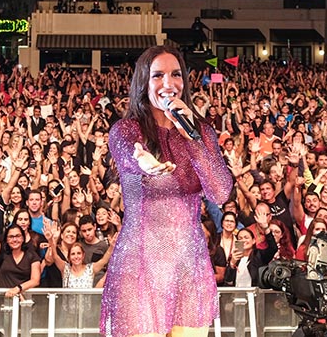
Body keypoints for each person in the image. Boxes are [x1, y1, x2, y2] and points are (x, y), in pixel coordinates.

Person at [100, 46, 234, 337]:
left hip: (189, 265)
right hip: (139, 264)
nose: (168, 83)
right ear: (143, 82)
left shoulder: (201, 130)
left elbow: (221, 193)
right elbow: (128, 154)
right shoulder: (127, 130)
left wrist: (192, 138)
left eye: (175, 74)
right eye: (158, 75)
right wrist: (143, 161)